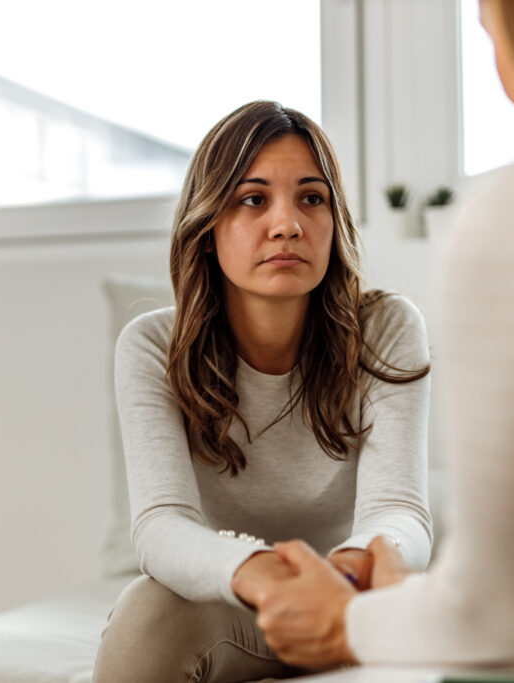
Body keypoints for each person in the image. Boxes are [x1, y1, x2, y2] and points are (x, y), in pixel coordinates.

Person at [243, 0, 514, 669]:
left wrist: (350, 620)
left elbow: (502, 607)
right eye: (253, 199)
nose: (285, 224)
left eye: (490, 31)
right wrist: (413, 606)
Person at [91, 100, 433, 683]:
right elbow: (161, 525)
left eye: (311, 197)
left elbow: (398, 512)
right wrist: (258, 572)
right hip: (230, 601)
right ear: (207, 225)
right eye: (253, 199)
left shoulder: (388, 329)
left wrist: (346, 575)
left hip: (351, 604)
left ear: (334, 221)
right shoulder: (150, 345)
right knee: (147, 612)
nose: (287, 224)